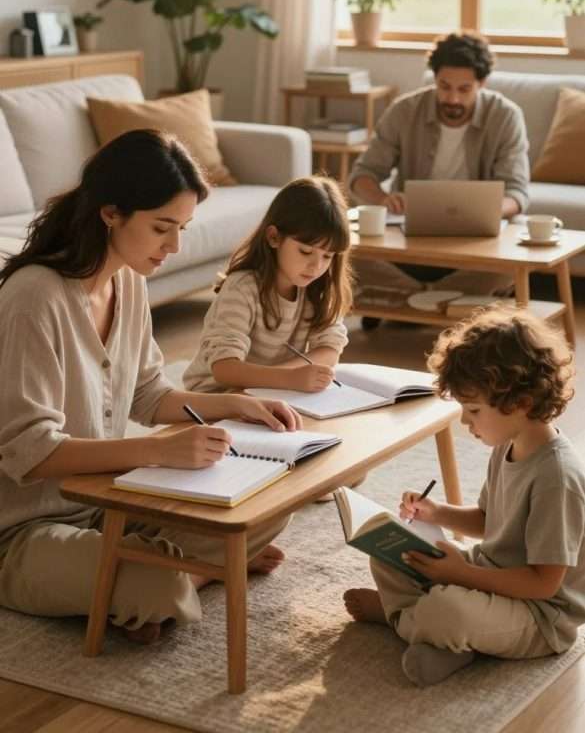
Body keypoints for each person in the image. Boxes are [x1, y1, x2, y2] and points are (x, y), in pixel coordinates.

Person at [0, 129, 301, 646]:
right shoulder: (34, 299)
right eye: (163, 227)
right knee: (157, 580)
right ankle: (190, 579)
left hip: (109, 507)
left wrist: (233, 404)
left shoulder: (129, 282)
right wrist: (157, 451)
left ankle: (159, 589)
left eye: (182, 227)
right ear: (110, 213)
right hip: (23, 533)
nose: (175, 246)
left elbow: (147, 395)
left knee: (267, 506)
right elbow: (30, 452)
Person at [343, 306, 585, 687]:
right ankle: (438, 634)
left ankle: (404, 619)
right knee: (390, 555)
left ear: (519, 403)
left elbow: (543, 585)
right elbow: (488, 520)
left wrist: (462, 574)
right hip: (489, 574)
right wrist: (436, 513)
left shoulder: (558, 476)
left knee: (447, 608)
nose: (465, 422)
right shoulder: (507, 443)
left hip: (537, 617)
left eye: (472, 410)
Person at [348, 31, 530, 317]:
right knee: (344, 252)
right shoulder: (404, 111)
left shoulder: (506, 116)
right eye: (444, 87)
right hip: (407, 238)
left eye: (464, 89)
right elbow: (361, 175)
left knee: (516, 260)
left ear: (482, 83)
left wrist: (489, 210)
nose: (453, 98)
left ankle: (407, 298)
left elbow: (517, 193)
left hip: (477, 245)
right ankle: (447, 300)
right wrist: (383, 198)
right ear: (434, 78)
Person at [183, 175, 353, 395]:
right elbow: (224, 369)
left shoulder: (318, 288)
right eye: (306, 251)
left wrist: (282, 380)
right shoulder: (242, 287)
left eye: (328, 256)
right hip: (215, 396)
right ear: (274, 237)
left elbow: (330, 350)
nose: (316, 266)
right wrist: (289, 378)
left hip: (271, 393)